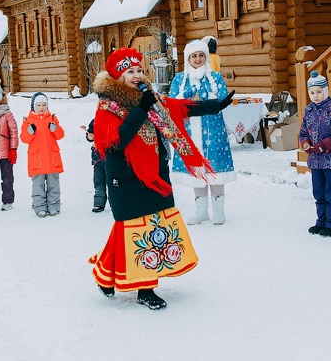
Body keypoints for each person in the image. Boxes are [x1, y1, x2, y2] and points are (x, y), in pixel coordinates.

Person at [89, 47, 234, 310]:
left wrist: (216, 105)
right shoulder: (107, 106)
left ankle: (109, 275)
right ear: (118, 77)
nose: (137, 75)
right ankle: (145, 289)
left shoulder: (151, 99)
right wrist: (141, 110)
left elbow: (181, 108)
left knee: (149, 227)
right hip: (127, 178)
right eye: (130, 71)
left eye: (139, 70)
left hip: (155, 174)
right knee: (135, 230)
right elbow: (118, 141)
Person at [169, 39, 235, 225]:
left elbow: (222, 99)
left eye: (201, 55)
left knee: (215, 169)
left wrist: (204, 99)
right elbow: (173, 102)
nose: (197, 59)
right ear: (187, 58)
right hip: (190, 132)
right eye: (194, 56)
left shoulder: (215, 77)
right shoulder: (179, 80)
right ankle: (201, 211)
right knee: (196, 170)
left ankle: (219, 211)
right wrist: (191, 95)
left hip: (213, 130)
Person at [299, 70, 331, 237]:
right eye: (312, 93)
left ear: (325, 91)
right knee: (319, 192)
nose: (315, 96)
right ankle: (321, 221)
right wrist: (305, 142)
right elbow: (303, 131)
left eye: (319, 92)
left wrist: (324, 145)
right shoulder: (308, 111)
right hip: (315, 160)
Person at [21, 92, 64, 217]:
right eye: (38, 105)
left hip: (52, 158)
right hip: (37, 159)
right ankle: (39, 206)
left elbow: (60, 135)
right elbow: (24, 138)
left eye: (44, 105)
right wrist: (29, 132)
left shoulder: (52, 119)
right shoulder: (28, 121)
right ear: (33, 106)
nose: (41, 107)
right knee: (38, 184)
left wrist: (55, 129)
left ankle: (54, 205)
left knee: (53, 184)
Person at [84, 117, 107, 213]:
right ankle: (99, 203)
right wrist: (89, 136)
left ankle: (115, 203)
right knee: (98, 182)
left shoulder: (113, 120)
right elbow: (89, 136)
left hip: (110, 158)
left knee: (113, 182)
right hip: (97, 159)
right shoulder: (94, 121)